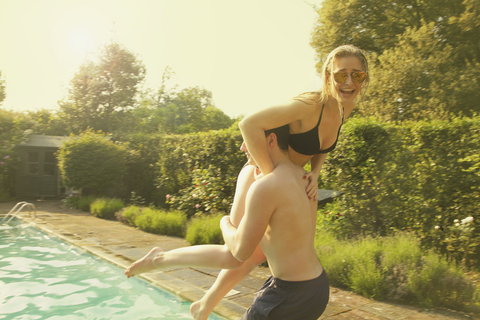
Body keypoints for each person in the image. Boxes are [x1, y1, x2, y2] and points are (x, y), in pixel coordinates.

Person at [125, 44, 369, 319]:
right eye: (341, 75)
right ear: (328, 76)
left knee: (257, 254)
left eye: (357, 76)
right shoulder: (310, 104)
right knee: (235, 253)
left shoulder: (345, 108)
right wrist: (269, 175)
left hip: (288, 180)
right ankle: (160, 260)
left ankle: (204, 305)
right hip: (263, 173)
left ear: (365, 77)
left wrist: (315, 172)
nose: (349, 82)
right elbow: (248, 125)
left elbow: (323, 147)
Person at [125, 125, 329, 319]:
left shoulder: (266, 184)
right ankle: (201, 302)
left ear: (271, 139)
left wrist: (224, 222)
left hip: (289, 295)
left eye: (246, 139)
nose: (241, 147)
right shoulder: (306, 177)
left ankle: (161, 261)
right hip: (318, 289)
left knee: (234, 255)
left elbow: (239, 251)